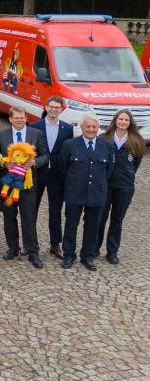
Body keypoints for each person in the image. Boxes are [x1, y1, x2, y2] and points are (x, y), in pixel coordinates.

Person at [0, 106, 50, 269]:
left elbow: (46, 155)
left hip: (28, 184)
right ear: (10, 119)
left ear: (26, 118)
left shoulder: (36, 134)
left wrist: (35, 162)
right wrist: (4, 162)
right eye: (16, 117)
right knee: (9, 217)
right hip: (8, 184)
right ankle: (13, 248)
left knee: (28, 219)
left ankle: (33, 252)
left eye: (22, 117)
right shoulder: (2, 134)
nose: (19, 120)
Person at [57, 115, 113, 271]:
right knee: (71, 225)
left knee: (92, 226)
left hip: (96, 193)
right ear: (82, 128)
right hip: (75, 192)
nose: (91, 130)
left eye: (94, 127)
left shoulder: (107, 146)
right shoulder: (70, 145)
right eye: (88, 127)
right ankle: (69, 255)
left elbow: (109, 171)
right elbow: (63, 168)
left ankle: (87, 256)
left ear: (98, 128)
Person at [28, 96, 74, 259]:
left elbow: (68, 152)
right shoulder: (34, 126)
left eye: (57, 107)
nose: (54, 109)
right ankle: (30, 243)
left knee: (56, 210)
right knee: (32, 209)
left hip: (57, 174)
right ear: (45, 107)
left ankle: (55, 244)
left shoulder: (67, 129)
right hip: (37, 172)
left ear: (61, 109)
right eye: (51, 106)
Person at [97, 109, 144, 264]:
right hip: (106, 185)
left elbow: (135, 165)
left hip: (124, 187)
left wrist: (126, 176)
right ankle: (94, 248)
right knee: (100, 218)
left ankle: (112, 251)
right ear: (115, 121)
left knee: (117, 220)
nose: (123, 122)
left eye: (126, 120)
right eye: (120, 119)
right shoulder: (104, 139)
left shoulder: (136, 140)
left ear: (130, 123)